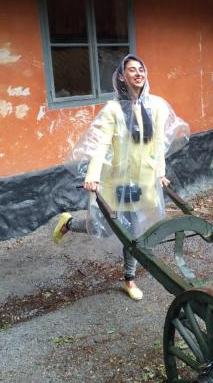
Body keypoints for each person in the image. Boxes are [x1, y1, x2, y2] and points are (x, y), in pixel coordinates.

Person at [53, 54, 188, 301]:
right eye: (132, 70)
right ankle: (69, 223)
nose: (138, 73)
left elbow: (158, 143)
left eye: (141, 69)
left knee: (134, 230)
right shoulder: (113, 110)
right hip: (118, 181)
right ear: (122, 77)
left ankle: (129, 279)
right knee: (103, 228)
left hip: (144, 179)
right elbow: (100, 144)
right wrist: (92, 176)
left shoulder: (155, 106)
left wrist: (160, 173)